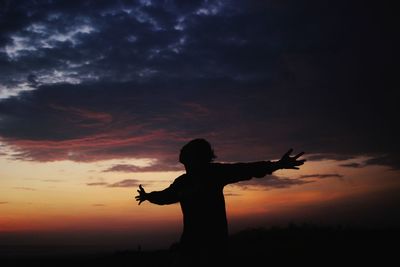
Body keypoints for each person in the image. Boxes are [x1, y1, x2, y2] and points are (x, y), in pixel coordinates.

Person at [135, 138, 306, 266]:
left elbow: (247, 169)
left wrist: (277, 165)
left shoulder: (214, 173)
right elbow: (167, 196)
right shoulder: (183, 181)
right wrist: (148, 196)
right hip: (191, 245)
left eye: (187, 158)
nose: (185, 162)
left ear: (198, 158)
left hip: (214, 246)